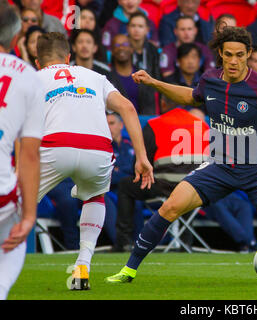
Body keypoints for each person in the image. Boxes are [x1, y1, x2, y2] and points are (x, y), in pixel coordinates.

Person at [106, 26, 257, 285]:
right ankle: (129, 270)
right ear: (220, 53)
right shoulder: (210, 80)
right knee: (170, 206)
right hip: (219, 165)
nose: (234, 60)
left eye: (240, 55)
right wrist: (154, 82)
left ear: (249, 54)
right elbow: (190, 96)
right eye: (228, 54)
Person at [35, 32, 152, 290]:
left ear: (37, 61)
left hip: (56, 146)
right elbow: (129, 109)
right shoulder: (96, 77)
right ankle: (83, 266)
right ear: (69, 57)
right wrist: (141, 157)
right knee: (95, 196)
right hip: (98, 150)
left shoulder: (33, 78)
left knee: (14, 204)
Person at [112, 107, 210, 252]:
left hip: (162, 186)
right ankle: (186, 242)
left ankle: (125, 242)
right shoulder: (201, 125)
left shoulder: (154, 124)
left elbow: (141, 163)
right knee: (189, 187)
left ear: (163, 103)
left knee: (125, 186)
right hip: (194, 187)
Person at [0, 2, 43, 300]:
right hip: (3, 193)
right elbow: (29, 154)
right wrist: (29, 216)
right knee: (11, 245)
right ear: (16, 38)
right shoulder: (28, 76)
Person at [103, 112, 138, 245]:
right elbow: (106, 174)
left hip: (127, 187)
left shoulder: (131, 145)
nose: (108, 127)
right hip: (107, 189)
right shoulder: (102, 146)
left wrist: (117, 170)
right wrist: (123, 171)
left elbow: (135, 170)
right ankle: (120, 244)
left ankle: (138, 244)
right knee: (105, 202)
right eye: (105, 124)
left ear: (121, 125)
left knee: (136, 200)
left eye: (111, 123)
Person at [108, 34, 159, 115]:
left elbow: (150, 104)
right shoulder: (107, 78)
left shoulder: (143, 75)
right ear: (112, 51)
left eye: (125, 44)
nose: (121, 48)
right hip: (118, 124)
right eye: (117, 45)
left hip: (143, 122)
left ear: (132, 49)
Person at [162, 43, 202, 113]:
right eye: (186, 57)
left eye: (194, 57)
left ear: (199, 61)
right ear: (178, 61)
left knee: (197, 114)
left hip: (197, 121)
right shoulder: (169, 81)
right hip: (175, 120)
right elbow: (163, 108)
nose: (190, 61)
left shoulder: (205, 82)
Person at [127, 11, 161, 81]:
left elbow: (157, 76)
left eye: (140, 26)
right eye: (133, 26)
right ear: (128, 28)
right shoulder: (122, 49)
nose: (136, 30)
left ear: (147, 30)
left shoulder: (153, 50)